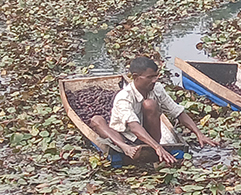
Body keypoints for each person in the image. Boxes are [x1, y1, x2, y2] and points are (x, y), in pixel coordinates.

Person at [90, 57, 220, 165]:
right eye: (150, 77)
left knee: (150, 104)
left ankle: (151, 147)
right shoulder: (124, 97)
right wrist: (157, 147)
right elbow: (134, 127)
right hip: (124, 138)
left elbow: (177, 112)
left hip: (149, 138)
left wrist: (198, 133)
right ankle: (125, 148)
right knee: (97, 120)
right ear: (136, 77)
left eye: (156, 76)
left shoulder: (157, 89)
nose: (155, 80)